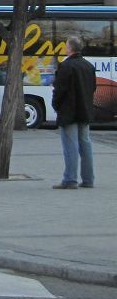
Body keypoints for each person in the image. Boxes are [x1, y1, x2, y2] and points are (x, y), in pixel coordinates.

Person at [52, 35, 96, 189]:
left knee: (70, 146)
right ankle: (88, 180)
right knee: (86, 145)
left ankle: (70, 180)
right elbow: (93, 88)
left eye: (66, 46)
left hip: (69, 112)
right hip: (85, 110)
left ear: (69, 48)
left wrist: (56, 105)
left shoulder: (65, 66)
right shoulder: (88, 66)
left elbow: (59, 91)